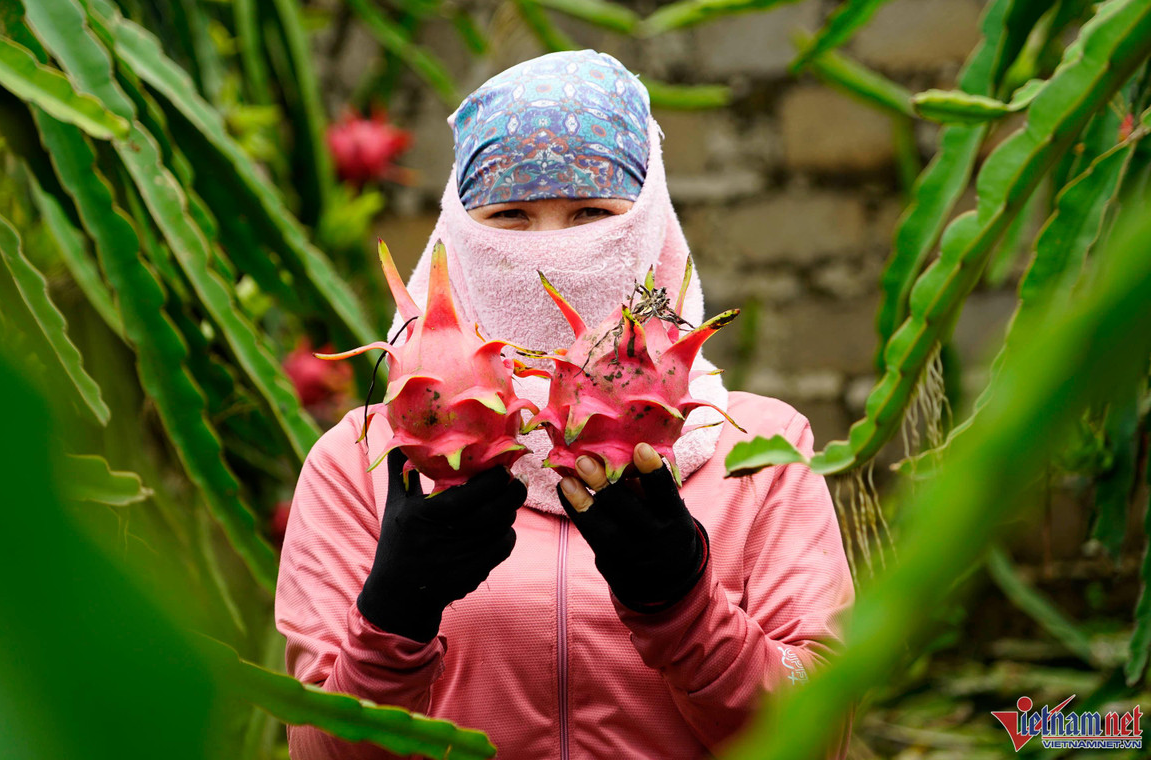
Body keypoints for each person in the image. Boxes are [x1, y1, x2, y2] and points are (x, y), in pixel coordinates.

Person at [276, 50, 855, 759]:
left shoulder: (762, 452)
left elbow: (820, 736)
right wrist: (393, 618)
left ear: (649, 228)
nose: (552, 253)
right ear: (458, 234)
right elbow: (316, 752)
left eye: (592, 213)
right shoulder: (361, 464)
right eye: (510, 215)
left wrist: (687, 611)